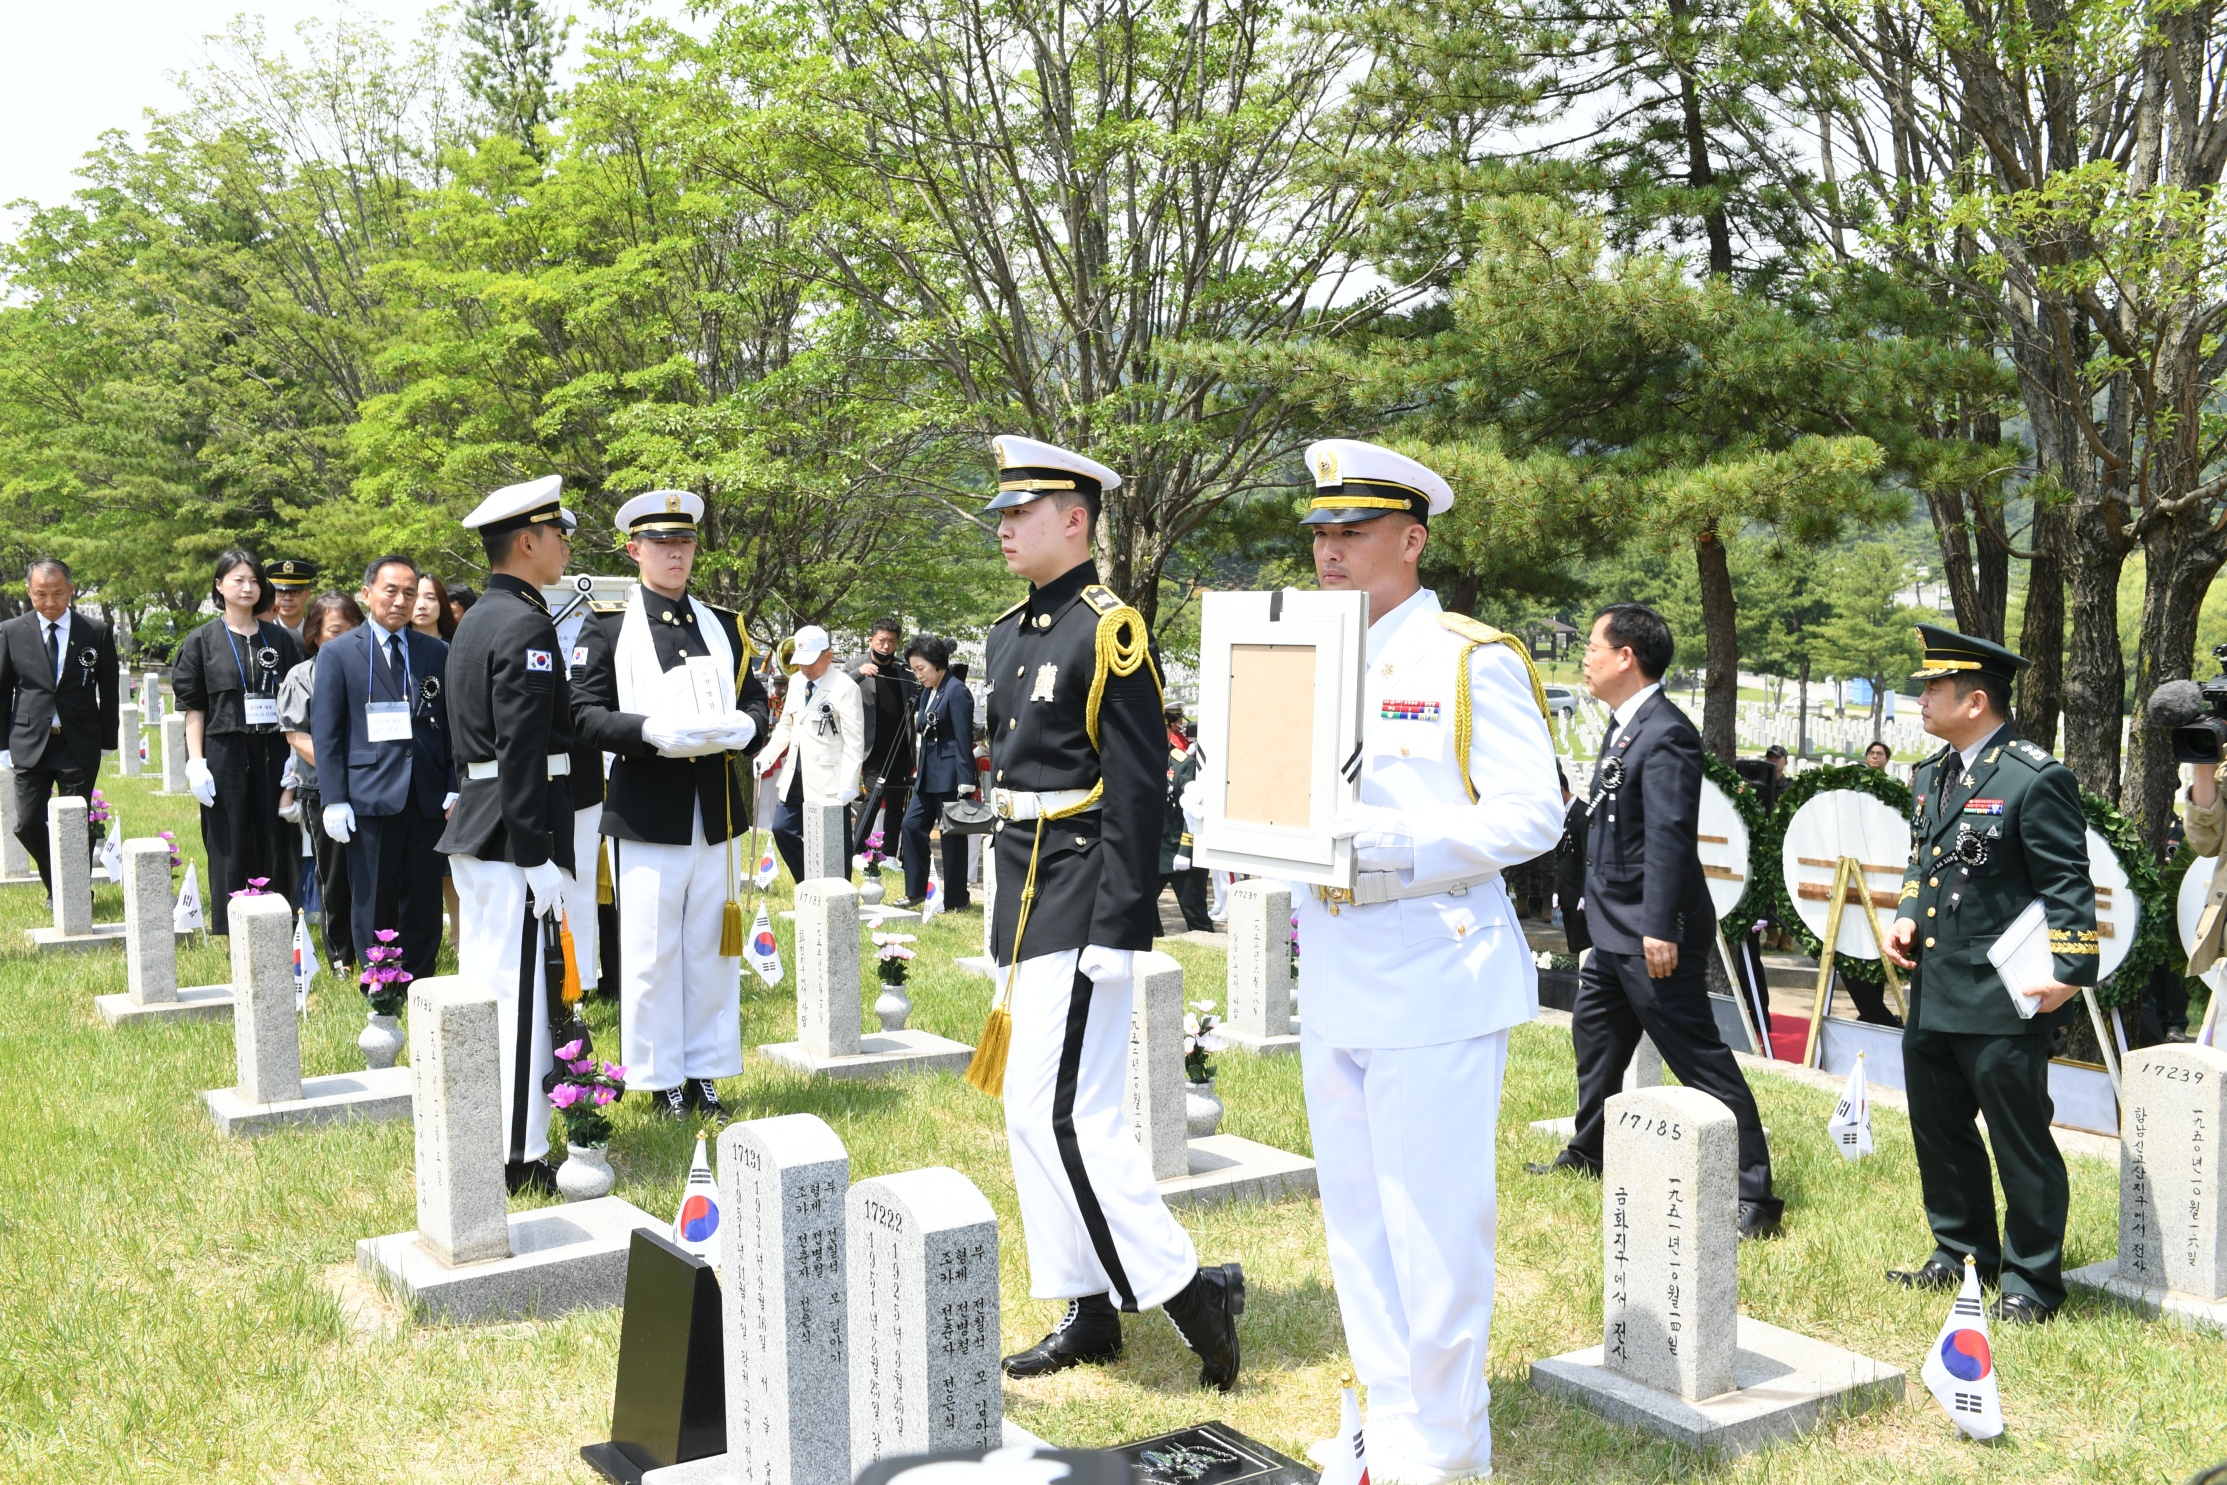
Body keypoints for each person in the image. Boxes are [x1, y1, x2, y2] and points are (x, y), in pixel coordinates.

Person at [1279, 439, 1561, 1481]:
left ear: (1411, 538)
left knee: (1434, 1234)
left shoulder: (1464, 655)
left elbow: (1536, 813)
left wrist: (1401, 847)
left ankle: (1444, 1453)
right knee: (1356, 1224)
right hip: (1339, 969)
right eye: (1319, 534)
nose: (1330, 553)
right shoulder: (1307, 651)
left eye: (1351, 533)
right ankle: (1389, 1427)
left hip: (1436, 969)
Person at [980, 434, 1243, 1393]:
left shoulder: (1110, 629)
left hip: (1083, 894)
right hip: (1020, 893)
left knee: (1066, 1113)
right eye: (1002, 512)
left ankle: (1188, 1289)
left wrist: (1118, 925)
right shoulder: (1011, 631)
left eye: (1022, 511)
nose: (1005, 526)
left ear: (1076, 519)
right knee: (1026, 1112)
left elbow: (1138, 794)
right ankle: (1087, 1307)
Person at [1532, 602, 1786, 1242]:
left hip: (1651, 931)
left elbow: (1671, 838)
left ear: (1626, 657)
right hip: (1615, 927)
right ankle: (1590, 1150)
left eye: (1593, 646)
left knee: (1697, 1057)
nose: (1585, 658)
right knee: (1595, 1042)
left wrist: (1661, 927)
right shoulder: (1624, 727)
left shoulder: (1666, 731)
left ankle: (1754, 1195)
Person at [1880, 624, 2098, 1324]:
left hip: (2006, 997)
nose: (1921, 696)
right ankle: (1960, 1251)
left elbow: (2068, 884)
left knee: (2018, 1140)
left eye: (1932, 687)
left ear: (1974, 700)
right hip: (1935, 990)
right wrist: (1908, 911)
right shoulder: (1933, 772)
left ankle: (2031, 1281)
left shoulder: (2032, 776)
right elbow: (1924, 860)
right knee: (1938, 1130)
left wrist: (2068, 970)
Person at [572, 490, 768, 1119]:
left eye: (683, 543)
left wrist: (750, 729)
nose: (675, 553)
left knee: (712, 945)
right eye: (660, 543)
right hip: (648, 807)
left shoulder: (724, 624)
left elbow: (758, 701)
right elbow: (584, 715)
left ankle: (705, 1070)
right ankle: (659, 1076)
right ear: (635, 550)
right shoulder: (606, 627)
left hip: (716, 808)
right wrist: (647, 732)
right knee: (653, 948)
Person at [440, 476, 579, 1195]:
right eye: (558, 533)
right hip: (510, 834)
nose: (563, 545)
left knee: (490, 984)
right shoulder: (524, 624)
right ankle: (517, 1155)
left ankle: (487, 1135)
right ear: (526, 541)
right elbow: (522, 749)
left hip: (483, 820)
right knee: (518, 998)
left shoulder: (480, 618)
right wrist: (537, 855)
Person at [310, 556, 457, 981]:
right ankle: (380, 982)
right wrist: (334, 798)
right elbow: (328, 733)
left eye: (409, 592)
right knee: (372, 897)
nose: (400, 600)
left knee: (424, 897)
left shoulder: (435, 652)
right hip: (369, 795)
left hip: (427, 796)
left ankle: (419, 979)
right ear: (367, 593)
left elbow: (449, 726)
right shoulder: (339, 653)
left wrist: (453, 783)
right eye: (390, 590)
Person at [175, 551, 304, 932]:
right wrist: (195, 761)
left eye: (254, 580)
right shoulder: (201, 641)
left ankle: (278, 919)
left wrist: (295, 755)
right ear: (219, 586)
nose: (247, 588)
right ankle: (231, 925)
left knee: (275, 836)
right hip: (223, 751)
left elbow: (296, 703)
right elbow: (194, 709)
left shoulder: (282, 639)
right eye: (237, 580)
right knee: (228, 838)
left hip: (274, 750)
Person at [0, 559, 120, 897]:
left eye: (57, 593)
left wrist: (107, 739)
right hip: (29, 741)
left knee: (74, 824)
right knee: (26, 823)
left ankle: (71, 895)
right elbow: (2, 690)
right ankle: (62, 881)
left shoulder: (95, 631)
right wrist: (2, 746)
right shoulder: (11, 631)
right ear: (28, 591)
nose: (49, 602)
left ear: (70, 590)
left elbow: (108, 691)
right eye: (40, 594)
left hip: (77, 741)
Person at [280, 591, 365, 971]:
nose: (345, 637)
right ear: (314, 634)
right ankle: (340, 955)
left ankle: (377, 950)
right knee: (334, 874)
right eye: (335, 630)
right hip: (323, 787)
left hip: (374, 786)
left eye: (353, 629)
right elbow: (297, 735)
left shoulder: (372, 669)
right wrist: (341, 769)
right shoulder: (301, 676)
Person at [765, 626, 863, 884]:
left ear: (828, 656)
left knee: (833, 843)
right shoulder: (797, 681)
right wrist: (768, 754)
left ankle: (841, 895)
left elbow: (854, 742)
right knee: (782, 829)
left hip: (829, 777)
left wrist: (850, 784)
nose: (806, 669)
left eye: (811, 662)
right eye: (801, 662)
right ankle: (810, 883)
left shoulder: (845, 687)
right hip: (795, 772)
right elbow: (787, 724)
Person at [894, 634, 976, 910]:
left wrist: (967, 778)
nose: (919, 675)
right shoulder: (928, 691)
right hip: (927, 775)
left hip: (951, 775)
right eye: (915, 670)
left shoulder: (957, 690)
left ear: (937, 662)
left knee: (951, 837)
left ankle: (956, 898)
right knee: (910, 826)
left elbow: (964, 737)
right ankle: (916, 889)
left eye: (922, 669)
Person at [849, 616, 918, 861]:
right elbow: (834, 689)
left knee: (896, 801)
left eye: (891, 641)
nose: (886, 646)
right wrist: (859, 673)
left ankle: (889, 856)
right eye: (881, 640)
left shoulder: (904, 670)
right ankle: (857, 851)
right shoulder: (856, 665)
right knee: (873, 796)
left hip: (900, 747)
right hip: (871, 748)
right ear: (871, 640)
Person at [1156, 731, 1212, 932]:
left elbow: (1193, 811)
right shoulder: (1139, 762)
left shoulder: (1183, 764)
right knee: (1141, 910)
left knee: (1195, 915)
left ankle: (1208, 956)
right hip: (1152, 854)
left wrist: (1185, 851)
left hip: (1180, 854)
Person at [266, 558, 318, 643]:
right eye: (280, 591)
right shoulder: (265, 632)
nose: (287, 598)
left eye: (295, 591)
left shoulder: (316, 633)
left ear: (307, 595)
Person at [412, 572, 457, 642]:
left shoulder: (454, 646)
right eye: (414, 597)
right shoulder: (394, 645)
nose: (421, 606)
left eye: (430, 598)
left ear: (442, 603)